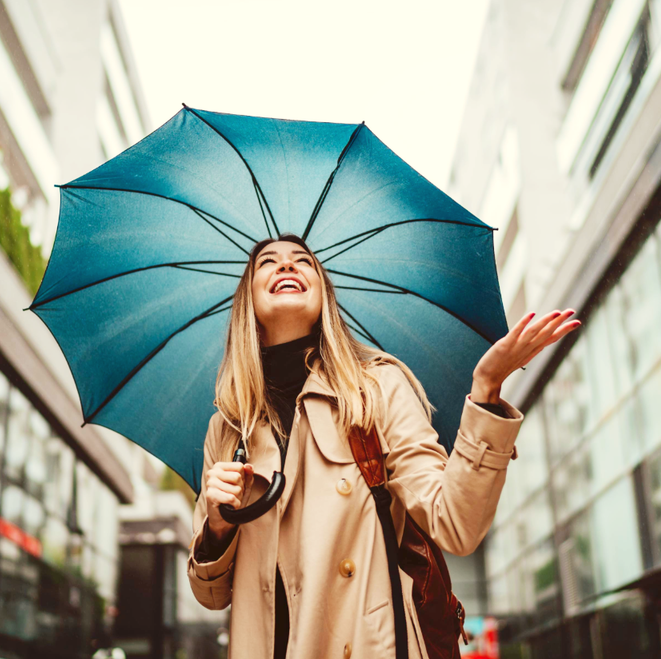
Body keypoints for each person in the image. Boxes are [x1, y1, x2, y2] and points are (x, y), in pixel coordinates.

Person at [187, 234, 580, 659]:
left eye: (303, 261)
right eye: (269, 262)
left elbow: (455, 523)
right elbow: (210, 596)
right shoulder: (227, 428)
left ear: (324, 296)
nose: (287, 266)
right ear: (248, 300)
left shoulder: (377, 388)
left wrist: (484, 393)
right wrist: (218, 524)